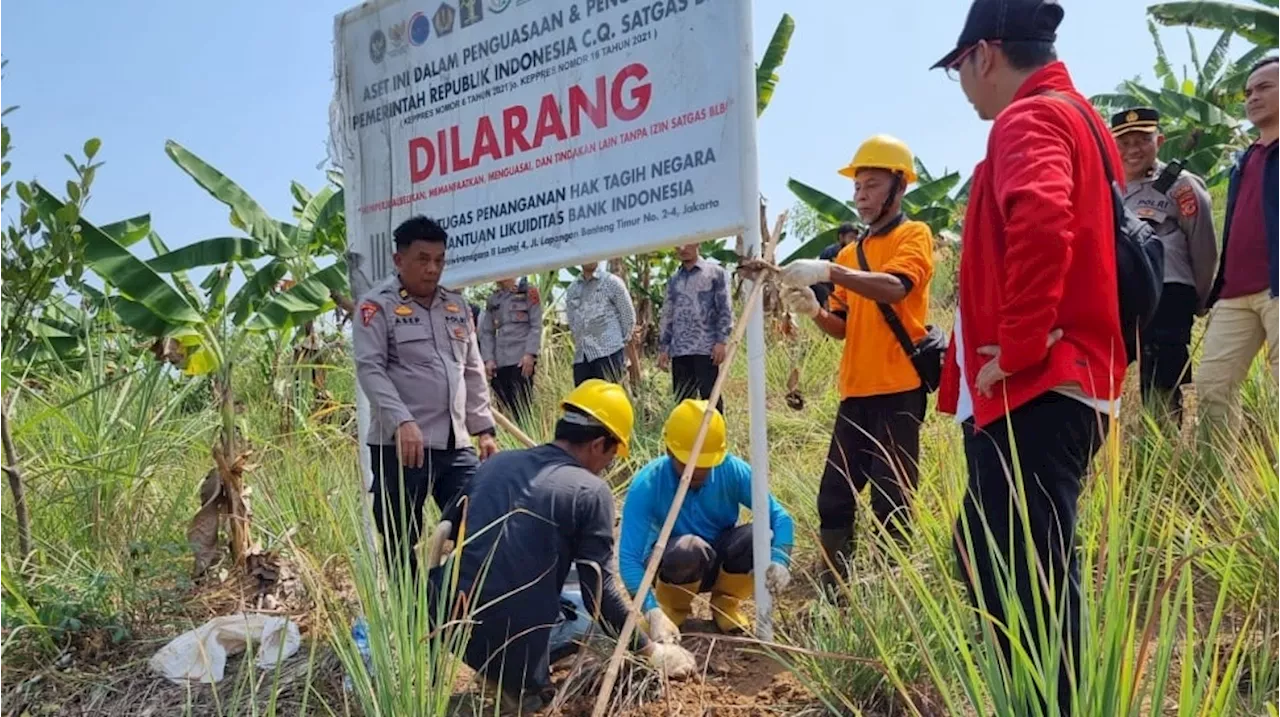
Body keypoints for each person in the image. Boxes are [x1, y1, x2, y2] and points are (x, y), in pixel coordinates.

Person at [931, 1, 1126, 713]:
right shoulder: (1079, 116)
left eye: (957, 68)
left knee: (1030, 581)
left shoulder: (1030, 117)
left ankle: (1045, 703)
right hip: (1063, 383)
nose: (961, 83)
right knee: (990, 554)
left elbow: (1042, 219)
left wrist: (1015, 347)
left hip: (1038, 390)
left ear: (984, 54)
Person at [431, 380, 697, 711]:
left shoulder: (496, 464)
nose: (609, 464)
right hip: (513, 642)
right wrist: (650, 651)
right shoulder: (590, 491)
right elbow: (599, 594)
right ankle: (528, 684)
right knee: (595, 626)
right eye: (613, 454)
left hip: (447, 622)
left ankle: (498, 671)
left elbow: (443, 534)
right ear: (599, 444)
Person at [777, 135, 935, 591]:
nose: (860, 196)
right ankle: (836, 590)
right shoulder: (850, 252)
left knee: (892, 497)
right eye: (857, 187)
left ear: (898, 186)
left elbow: (895, 287)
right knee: (834, 495)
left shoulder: (914, 235)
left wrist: (829, 273)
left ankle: (891, 593)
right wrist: (815, 310)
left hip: (899, 388)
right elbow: (842, 325)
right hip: (856, 392)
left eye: (870, 185)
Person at [354, 215, 499, 580]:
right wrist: (402, 420)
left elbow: (472, 368)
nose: (432, 269)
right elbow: (370, 369)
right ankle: (411, 621)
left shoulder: (456, 306)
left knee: (479, 520)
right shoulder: (376, 307)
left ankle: (458, 603)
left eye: (439, 260)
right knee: (401, 538)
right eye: (422, 259)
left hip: (455, 443)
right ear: (398, 260)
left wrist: (484, 429)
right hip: (401, 445)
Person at [618, 400, 794, 641]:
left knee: (759, 534)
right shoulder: (647, 484)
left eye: (707, 463)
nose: (699, 471)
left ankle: (726, 605)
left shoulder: (732, 470)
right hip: (673, 566)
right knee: (688, 548)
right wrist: (651, 610)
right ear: (669, 450)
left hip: (719, 560)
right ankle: (672, 611)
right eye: (689, 464)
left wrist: (780, 559)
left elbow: (779, 517)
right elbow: (628, 558)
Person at [1112, 107, 1218, 424]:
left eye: (1142, 140)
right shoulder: (1109, 188)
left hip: (1168, 293)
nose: (1133, 149)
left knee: (1162, 382)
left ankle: (1165, 457)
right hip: (1120, 300)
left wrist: (1200, 298)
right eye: (1124, 142)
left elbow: (1203, 245)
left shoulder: (1180, 184)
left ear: (1158, 141)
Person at [1195, 57, 1280, 430]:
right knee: (1212, 387)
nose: (1253, 98)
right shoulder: (1243, 160)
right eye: (1248, 92)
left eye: (1264, 88)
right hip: (1234, 294)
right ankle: (1217, 484)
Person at [657, 244, 733, 413]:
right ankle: (686, 438)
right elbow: (668, 314)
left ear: (698, 243)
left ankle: (716, 436)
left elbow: (725, 308)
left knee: (711, 399)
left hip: (706, 348)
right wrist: (664, 348)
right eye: (678, 245)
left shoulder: (715, 273)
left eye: (688, 242)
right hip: (680, 349)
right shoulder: (674, 280)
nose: (683, 248)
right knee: (683, 402)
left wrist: (721, 341)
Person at [478, 277, 543, 422]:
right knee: (505, 415)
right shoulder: (493, 299)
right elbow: (487, 332)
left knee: (523, 413)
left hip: (521, 361)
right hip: (500, 363)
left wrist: (530, 354)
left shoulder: (529, 292)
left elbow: (536, 326)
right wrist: (488, 359)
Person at [566, 261, 636, 385]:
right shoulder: (572, 289)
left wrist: (617, 344)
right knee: (584, 402)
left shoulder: (611, 282)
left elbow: (628, 317)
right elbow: (572, 321)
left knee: (611, 401)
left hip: (609, 354)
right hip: (582, 358)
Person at [810, 222, 860, 309]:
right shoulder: (830, 252)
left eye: (855, 238)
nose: (854, 241)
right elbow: (820, 276)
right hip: (831, 294)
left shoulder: (858, 251)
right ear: (841, 237)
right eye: (851, 237)